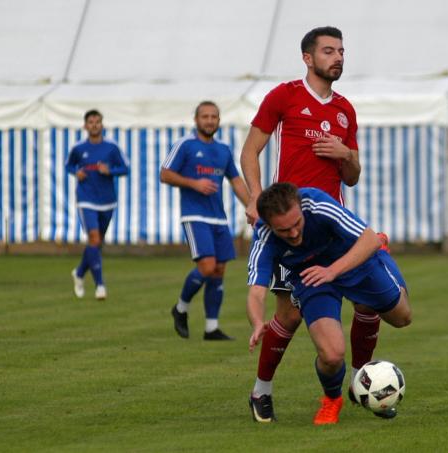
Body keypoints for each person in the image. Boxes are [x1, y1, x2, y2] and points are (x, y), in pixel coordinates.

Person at [240, 26, 387, 423]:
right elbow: (250, 151)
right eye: (328, 51)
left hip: (334, 229)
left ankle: (359, 380)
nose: (337, 57)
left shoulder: (345, 111)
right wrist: (255, 196)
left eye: (341, 51)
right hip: (291, 231)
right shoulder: (284, 97)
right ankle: (261, 390)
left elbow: (352, 176)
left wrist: (345, 154)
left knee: (368, 301)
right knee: (289, 315)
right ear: (307, 58)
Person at [247, 183, 412, 425]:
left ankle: (382, 261)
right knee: (332, 355)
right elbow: (256, 291)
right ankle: (332, 399)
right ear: (269, 225)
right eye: (284, 230)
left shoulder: (316, 203)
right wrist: (256, 322)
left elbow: (369, 239)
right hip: (312, 278)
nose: (294, 233)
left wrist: (332, 270)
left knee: (402, 317)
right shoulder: (263, 236)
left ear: (301, 207)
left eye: (297, 224)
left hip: (352, 261)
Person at [161, 101, 250, 340]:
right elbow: (165, 174)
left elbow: (236, 181)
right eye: (205, 116)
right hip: (194, 215)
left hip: (219, 218)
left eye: (214, 117)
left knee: (219, 270)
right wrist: (194, 183)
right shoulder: (185, 145)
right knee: (207, 266)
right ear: (196, 120)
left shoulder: (223, 150)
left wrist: (252, 207)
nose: (209, 121)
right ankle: (180, 308)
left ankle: (211, 328)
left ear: (219, 120)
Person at [67, 109, 129, 300]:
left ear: (102, 125)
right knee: (93, 238)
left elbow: (125, 168)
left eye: (97, 122)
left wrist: (110, 171)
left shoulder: (111, 147)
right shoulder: (78, 148)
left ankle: (79, 273)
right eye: (91, 122)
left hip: (107, 201)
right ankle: (100, 285)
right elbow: (69, 165)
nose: (94, 125)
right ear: (85, 126)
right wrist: (76, 172)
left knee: (96, 243)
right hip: (86, 199)